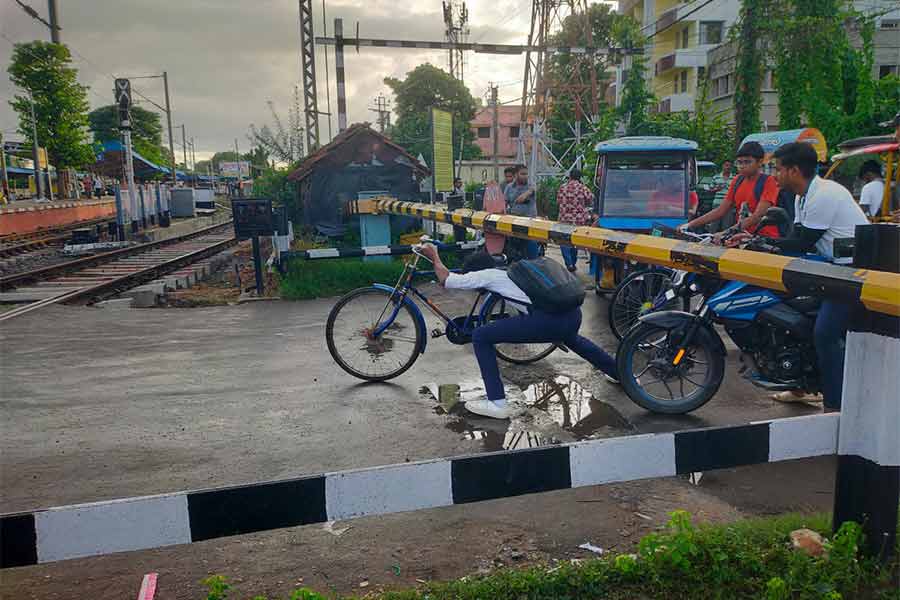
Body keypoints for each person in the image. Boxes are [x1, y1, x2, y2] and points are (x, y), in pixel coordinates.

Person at [731, 142, 868, 412]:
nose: (775, 175)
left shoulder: (825, 195)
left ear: (794, 171)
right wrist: (753, 240)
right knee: (790, 316)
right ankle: (799, 385)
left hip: (851, 272)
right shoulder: (802, 196)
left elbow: (802, 242)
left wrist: (758, 242)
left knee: (825, 334)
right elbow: (794, 238)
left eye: (778, 169)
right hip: (826, 268)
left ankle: (835, 404)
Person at [417, 244, 617, 419]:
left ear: (477, 271)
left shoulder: (488, 275)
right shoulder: (513, 270)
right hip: (572, 315)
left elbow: (446, 279)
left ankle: (497, 403)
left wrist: (434, 255)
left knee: (481, 335)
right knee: (572, 338)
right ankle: (619, 373)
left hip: (549, 321)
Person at [683, 142, 780, 237]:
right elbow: (720, 210)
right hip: (741, 237)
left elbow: (757, 216)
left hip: (764, 239)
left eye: (747, 162)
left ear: (759, 162)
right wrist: (690, 224)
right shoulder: (737, 180)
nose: (742, 166)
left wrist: (725, 233)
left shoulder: (768, 181)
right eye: (739, 162)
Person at [556, 168, 594, 271]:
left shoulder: (562, 187)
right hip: (578, 220)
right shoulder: (583, 188)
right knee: (574, 242)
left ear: (570, 176)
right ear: (580, 177)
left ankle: (568, 263)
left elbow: (558, 201)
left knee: (564, 242)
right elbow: (590, 199)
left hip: (564, 219)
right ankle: (573, 262)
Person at [504, 164, 540, 259]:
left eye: (526, 174)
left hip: (529, 222)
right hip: (514, 222)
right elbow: (504, 202)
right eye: (522, 174)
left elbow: (532, 190)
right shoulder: (509, 187)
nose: (525, 176)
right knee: (514, 250)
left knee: (531, 247)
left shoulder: (531, 185)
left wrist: (526, 194)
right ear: (516, 175)